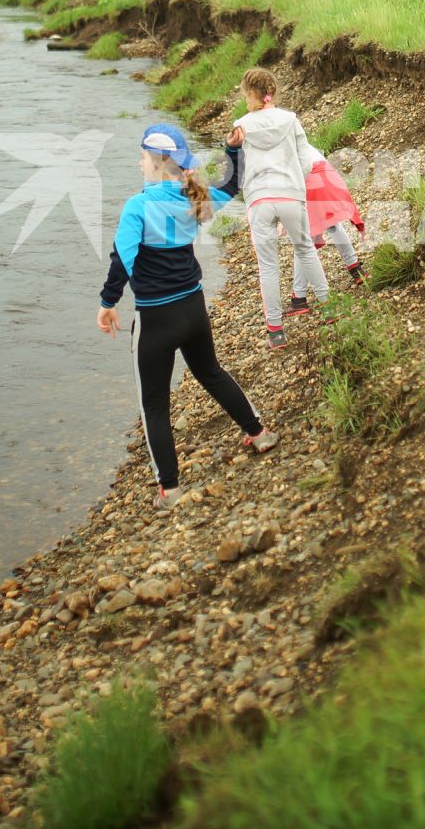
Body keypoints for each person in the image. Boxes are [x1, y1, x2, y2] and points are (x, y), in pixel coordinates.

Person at [97, 123, 280, 510]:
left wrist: (108, 303)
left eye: (144, 157)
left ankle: (170, 488)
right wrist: (232, 153)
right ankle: (259, 433)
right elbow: (232, 187)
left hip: (156, 319)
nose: (140, 163)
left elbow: (122, 260)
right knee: (211, 372)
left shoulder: (138, 206)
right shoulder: (191, 195)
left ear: (160, 164)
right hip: (193, 309)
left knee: (155, 403)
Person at [227, 68, 328, 347]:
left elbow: (237, 167)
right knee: (305, 249)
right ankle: (330, 310)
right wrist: (295, 181)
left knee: (268, 265)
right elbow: (305, 159)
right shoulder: (290, 119)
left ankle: (276, 331)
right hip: (291, 194)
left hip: (260, 198)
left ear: (251, 94)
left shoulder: (242, 125)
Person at [299, 137, 367, 286]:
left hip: (308, 178)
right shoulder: (291, 128)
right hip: (325, 171)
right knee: (333, 223)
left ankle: (298, 296)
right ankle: (356, 268)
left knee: (303, 238)